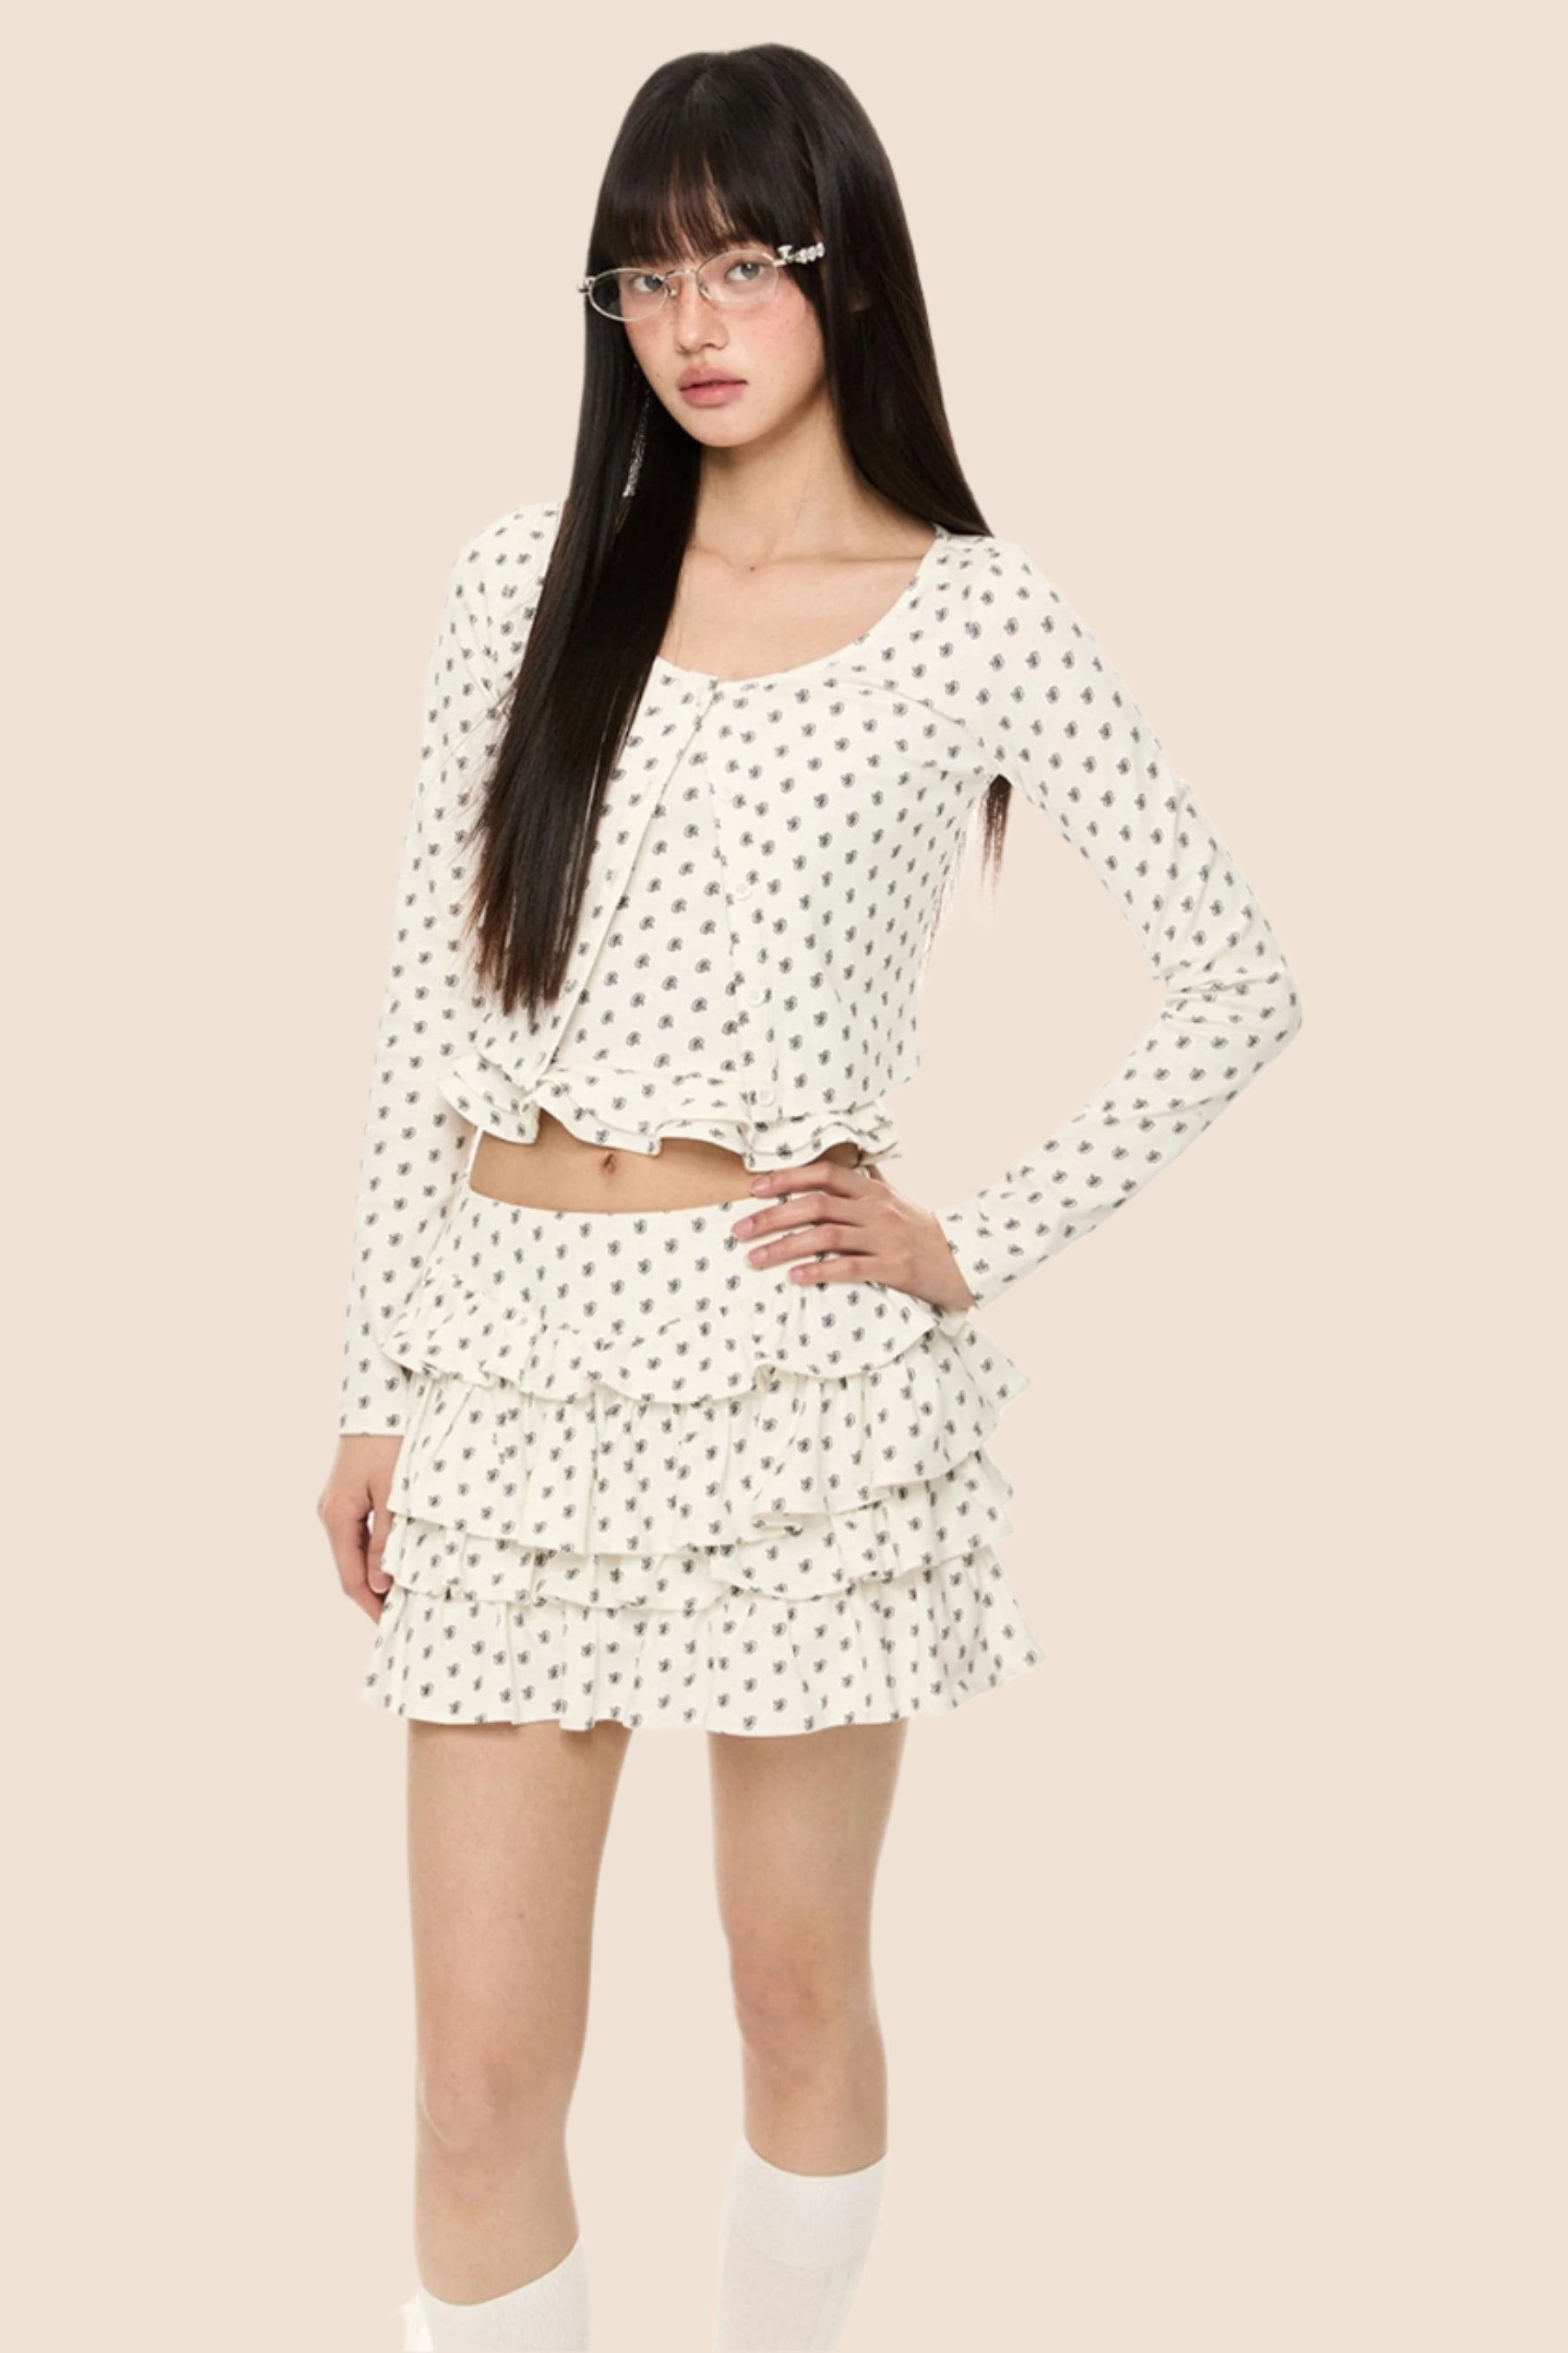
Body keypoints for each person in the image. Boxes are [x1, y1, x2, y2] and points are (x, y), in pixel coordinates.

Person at [317, 42, 1304, 2353]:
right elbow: (422, 1012)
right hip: (512, 1365)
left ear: (847, 276)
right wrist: (373, 1384)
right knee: (471, 2088)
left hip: (789, 1372)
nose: (694, 320)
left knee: (791, 1997)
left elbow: (1238, 980)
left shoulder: (975, 614)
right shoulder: (519, 583)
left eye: (743, 260)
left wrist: (969, 1240)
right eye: (645, 275)